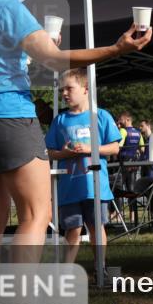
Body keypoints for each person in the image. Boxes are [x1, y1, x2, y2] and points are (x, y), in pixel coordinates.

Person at [0, 0, 151, 258]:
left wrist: (41, 46)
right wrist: (118, 49)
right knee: (36, 215)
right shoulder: (8, 7)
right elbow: (56, 61)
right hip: (9, 117)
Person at [45, 69, 120, 263]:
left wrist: (90, 148)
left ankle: (100, 267)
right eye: (62, 90)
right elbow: (50, 151)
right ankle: (66, 271)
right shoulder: (59, 120)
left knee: (96, 226)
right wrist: (65, 154)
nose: (64, 94)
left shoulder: (101, 116)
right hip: (69, 187)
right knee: (73, 229)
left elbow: (114, 148)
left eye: (69, 88)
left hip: (96, 186)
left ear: (86, 89)